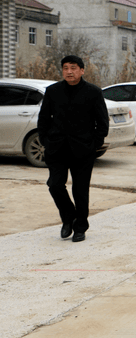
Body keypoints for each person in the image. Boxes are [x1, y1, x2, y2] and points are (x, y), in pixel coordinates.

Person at [38, 55, 109, 243]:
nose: (69, 71)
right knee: (54, 185)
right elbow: (43, 119)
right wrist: (46, 140)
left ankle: (80, 227)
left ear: (82, 70)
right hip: (56, 149)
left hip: (83, 150)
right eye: (66, 68)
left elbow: (102, 123)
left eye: (74, 68)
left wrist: (93, 144)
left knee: (80, 190)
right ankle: (68, 218)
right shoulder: (53, 91)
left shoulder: (93, 92)